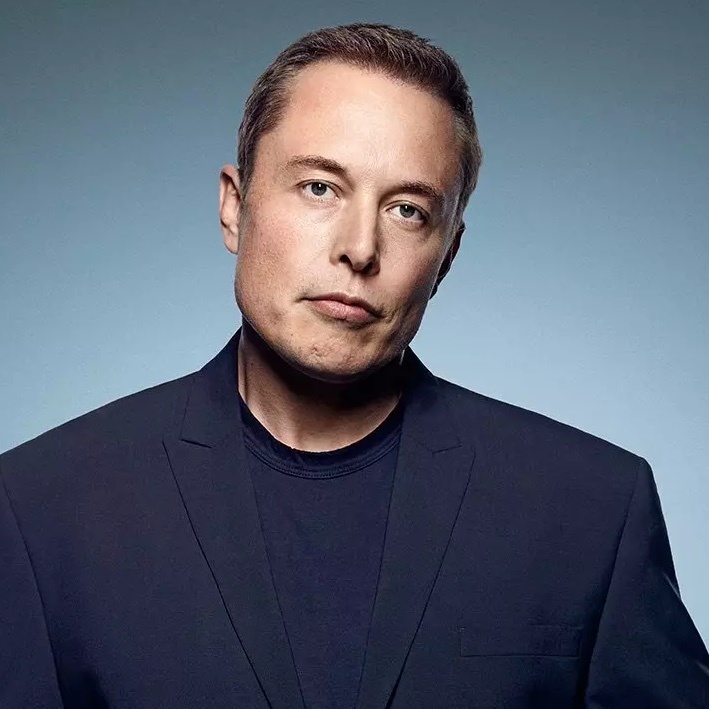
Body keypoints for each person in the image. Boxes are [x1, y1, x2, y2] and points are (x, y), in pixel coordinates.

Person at [0, 22, 707, 709]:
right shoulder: (40, 506)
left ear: (447, 256)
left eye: (407, 210)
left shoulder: (590, 509)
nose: (359, 248)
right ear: (234, 207)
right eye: (319, 187)